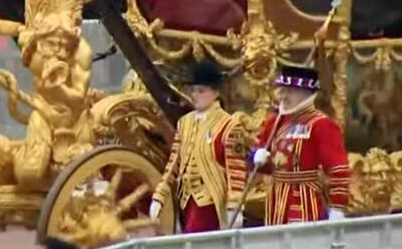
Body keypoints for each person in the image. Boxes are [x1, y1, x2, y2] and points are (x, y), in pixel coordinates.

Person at [150, 61, 247, 232]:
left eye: (201, 91)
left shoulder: (229, 126)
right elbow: (174, 161)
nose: (195, 95)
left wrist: (235, 205)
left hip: (210, 199)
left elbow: (236, 170)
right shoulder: (184, 123)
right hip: (185, 198)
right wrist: (160, 194)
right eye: (193, 91)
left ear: (216, 93)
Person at [252, 65, 350, 225]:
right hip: (277, 200)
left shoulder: (321, 125)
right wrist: (256, 157)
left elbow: (338, 169)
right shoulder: (274, 122)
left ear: (306, 93)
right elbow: (263, 163)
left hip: (305, 198)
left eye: (291, 91)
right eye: (283, 90)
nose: (284, 96)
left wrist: (337, 207)